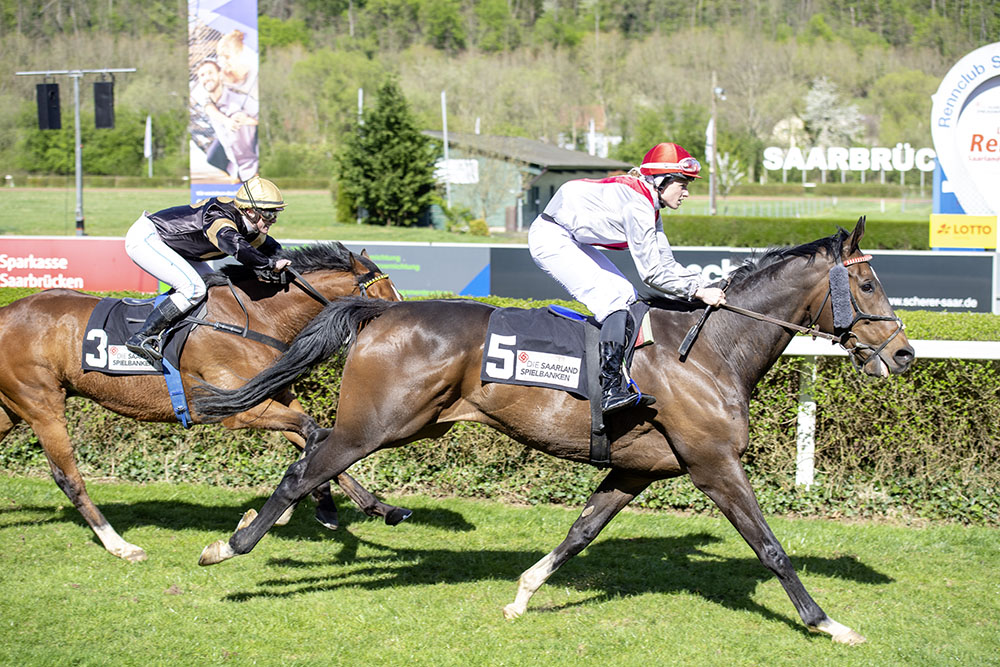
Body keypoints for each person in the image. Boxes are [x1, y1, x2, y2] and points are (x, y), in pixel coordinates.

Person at [528, 142, 728, 416]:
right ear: (661, 181)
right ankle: (610, 389)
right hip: (551, 237)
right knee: (614, 300)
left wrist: (706, 285)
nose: (686, 193)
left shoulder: (650, 204)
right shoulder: (638, 205)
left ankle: (619, 375)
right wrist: (697, 292)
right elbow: (652, 273)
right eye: (683, 184)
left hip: (571, 237)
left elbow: (666, 263)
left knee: (627, 296)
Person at [123, 176, 291, 364]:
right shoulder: (219, 216)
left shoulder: (251, 227)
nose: (273, 220)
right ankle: (143, 336)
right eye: (268, 214)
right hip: (148, 238)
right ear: (250, 211)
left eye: (276, 214)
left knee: (214, 291)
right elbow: (235, 245)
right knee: (193, 289)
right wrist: (269, 265)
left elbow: (273, 249)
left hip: (176, 248)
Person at [193, 58, 259, 182]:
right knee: (212, 156)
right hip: (235, 163)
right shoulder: (207, 101)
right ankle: (235, 174)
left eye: (210, 73)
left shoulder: (240, 98)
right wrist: (227, 121)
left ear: (219, 74)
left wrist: (247, 120)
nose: (206, 77)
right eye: (202, 75)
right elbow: (209, 109)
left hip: (251, 164)